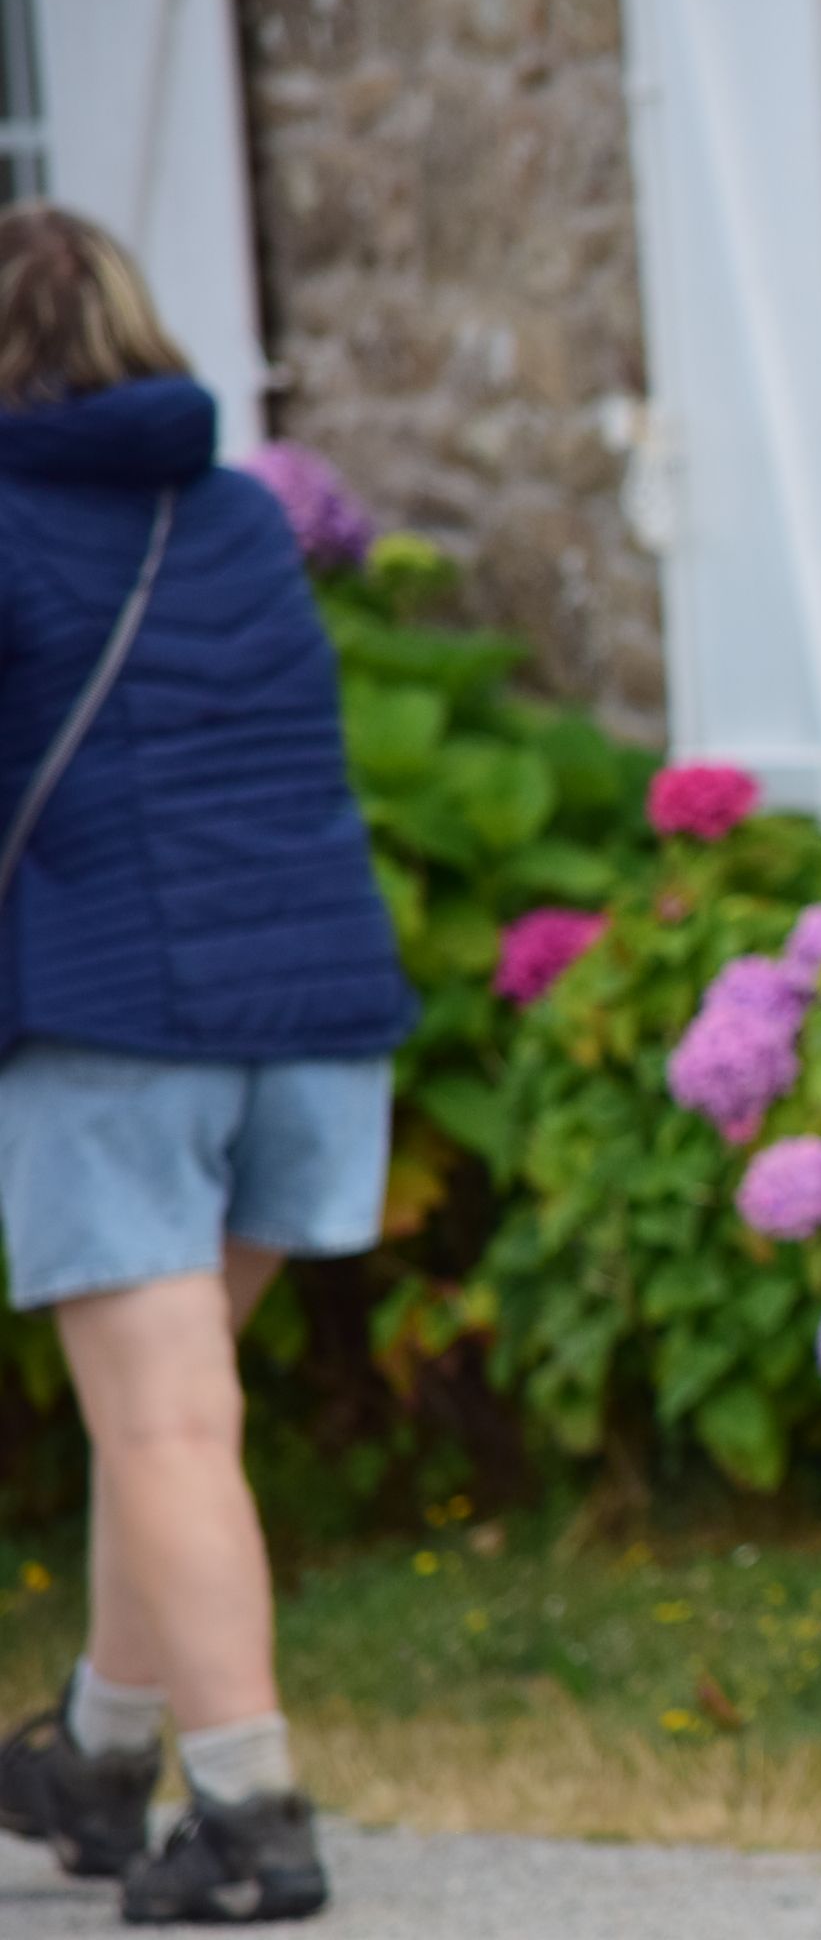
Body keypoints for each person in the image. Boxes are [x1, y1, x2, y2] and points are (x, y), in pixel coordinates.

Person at [0, 203, 412, 1924]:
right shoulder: (235, 509)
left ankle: (248, 1811)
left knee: (165, 1421)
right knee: (165, 1415)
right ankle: (102, 1757)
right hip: (316, 1021)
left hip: (118, 1030)